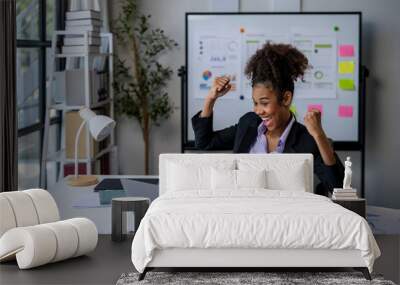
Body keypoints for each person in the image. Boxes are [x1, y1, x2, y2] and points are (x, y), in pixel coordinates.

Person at [191, 42, 344, 195]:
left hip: (284, 214)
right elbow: (204, 143)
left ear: (285, 99)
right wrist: (210, 99)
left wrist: (319, 135)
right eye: (255, 103)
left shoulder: (307, 140)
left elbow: (338, 187)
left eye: (264, 103)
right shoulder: (249, 124)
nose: (258, 110)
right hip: (242, 209)